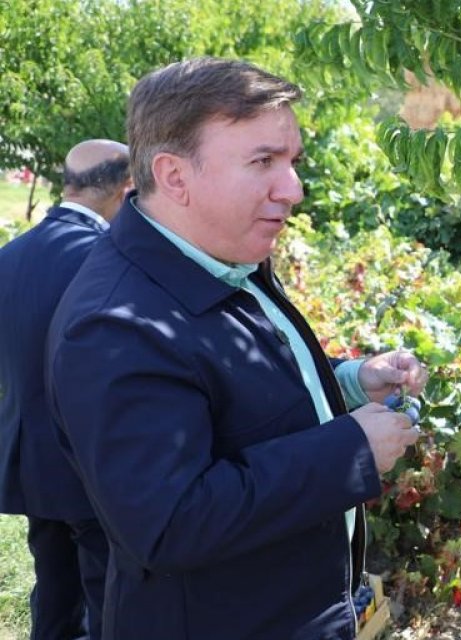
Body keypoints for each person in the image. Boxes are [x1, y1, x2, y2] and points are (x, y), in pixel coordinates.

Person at [44, 57, 423, 639]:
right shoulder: (115, 327)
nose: (293, 188)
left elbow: (233, 395)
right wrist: (350, 450)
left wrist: (348, 383)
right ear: (174, 176)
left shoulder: (219, 258)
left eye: (291, 160)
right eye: (263, 161)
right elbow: (170, 523)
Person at [0, 138, 131, 640]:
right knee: (107, 602)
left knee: (54, 598)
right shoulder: (104, 258)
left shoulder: (12, 254)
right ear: (125, 190)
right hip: (88, 465)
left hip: (28, 457)